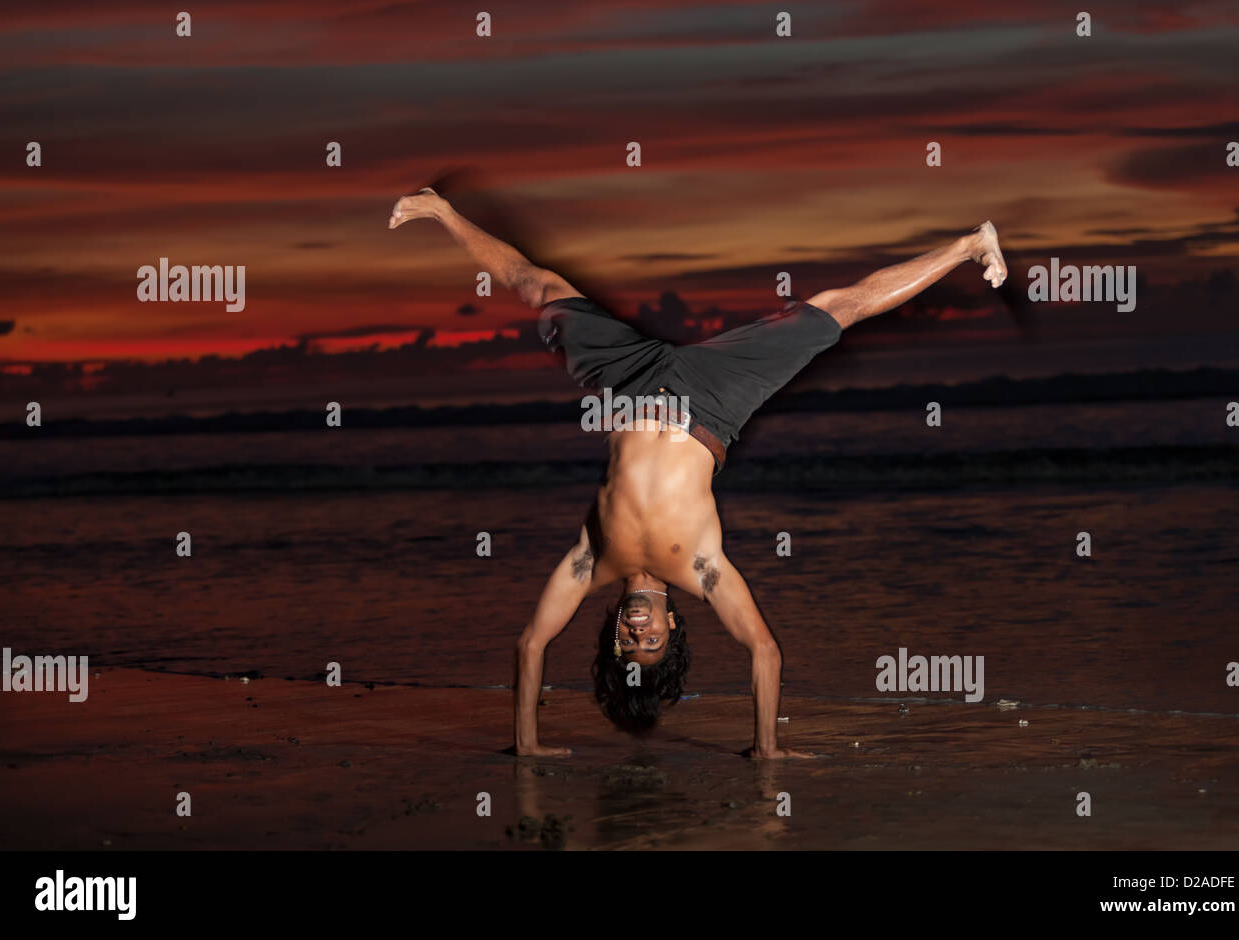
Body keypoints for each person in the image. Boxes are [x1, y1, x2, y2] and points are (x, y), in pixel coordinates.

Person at [389, 186, 1007, 758]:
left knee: (540, 287)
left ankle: (440, 209)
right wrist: (765, 748)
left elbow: (531, 644)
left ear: (613, 640)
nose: (638, 634)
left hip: (627, 388)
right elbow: (764, 650)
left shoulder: (590, 560)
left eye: (629, 644)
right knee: (832, 313)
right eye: (651, 642)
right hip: (711, 402)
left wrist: (527, 744)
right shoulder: (703, 571)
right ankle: (969, 244)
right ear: (672, 627)